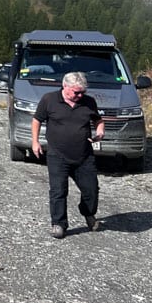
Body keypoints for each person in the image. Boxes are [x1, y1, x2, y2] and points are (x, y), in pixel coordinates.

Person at [31, 71, 105, 239]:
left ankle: (88, 212)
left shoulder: (88, 102)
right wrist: (35, 142)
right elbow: (37, 120)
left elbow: (98, 120)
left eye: (82, 92)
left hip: (84, 156)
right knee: (58, 191)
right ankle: (59, 224)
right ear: (64, 86)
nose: (79, 95)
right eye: (76, 92)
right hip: (58, 155)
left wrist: (100, 132)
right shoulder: (49, 100)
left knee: (91, 190)